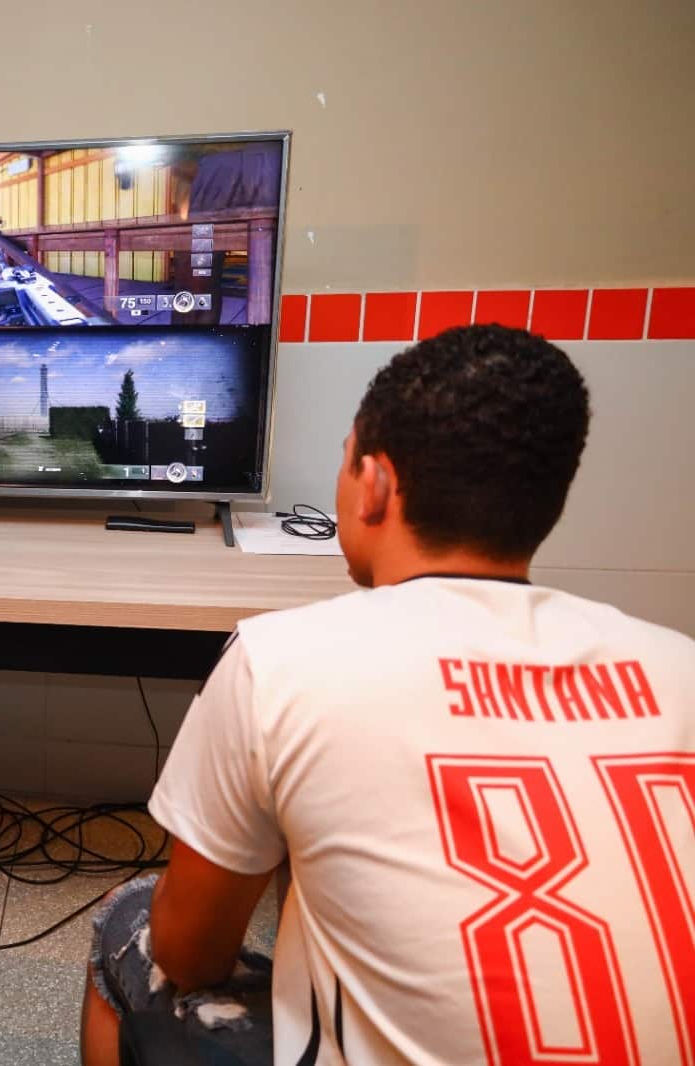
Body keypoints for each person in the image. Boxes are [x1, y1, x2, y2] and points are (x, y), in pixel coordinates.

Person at [80, 324, 695, 1065]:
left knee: (131, 916)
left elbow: (190, 956)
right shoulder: (680, 667)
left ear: (372, 483)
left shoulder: (281, 660)